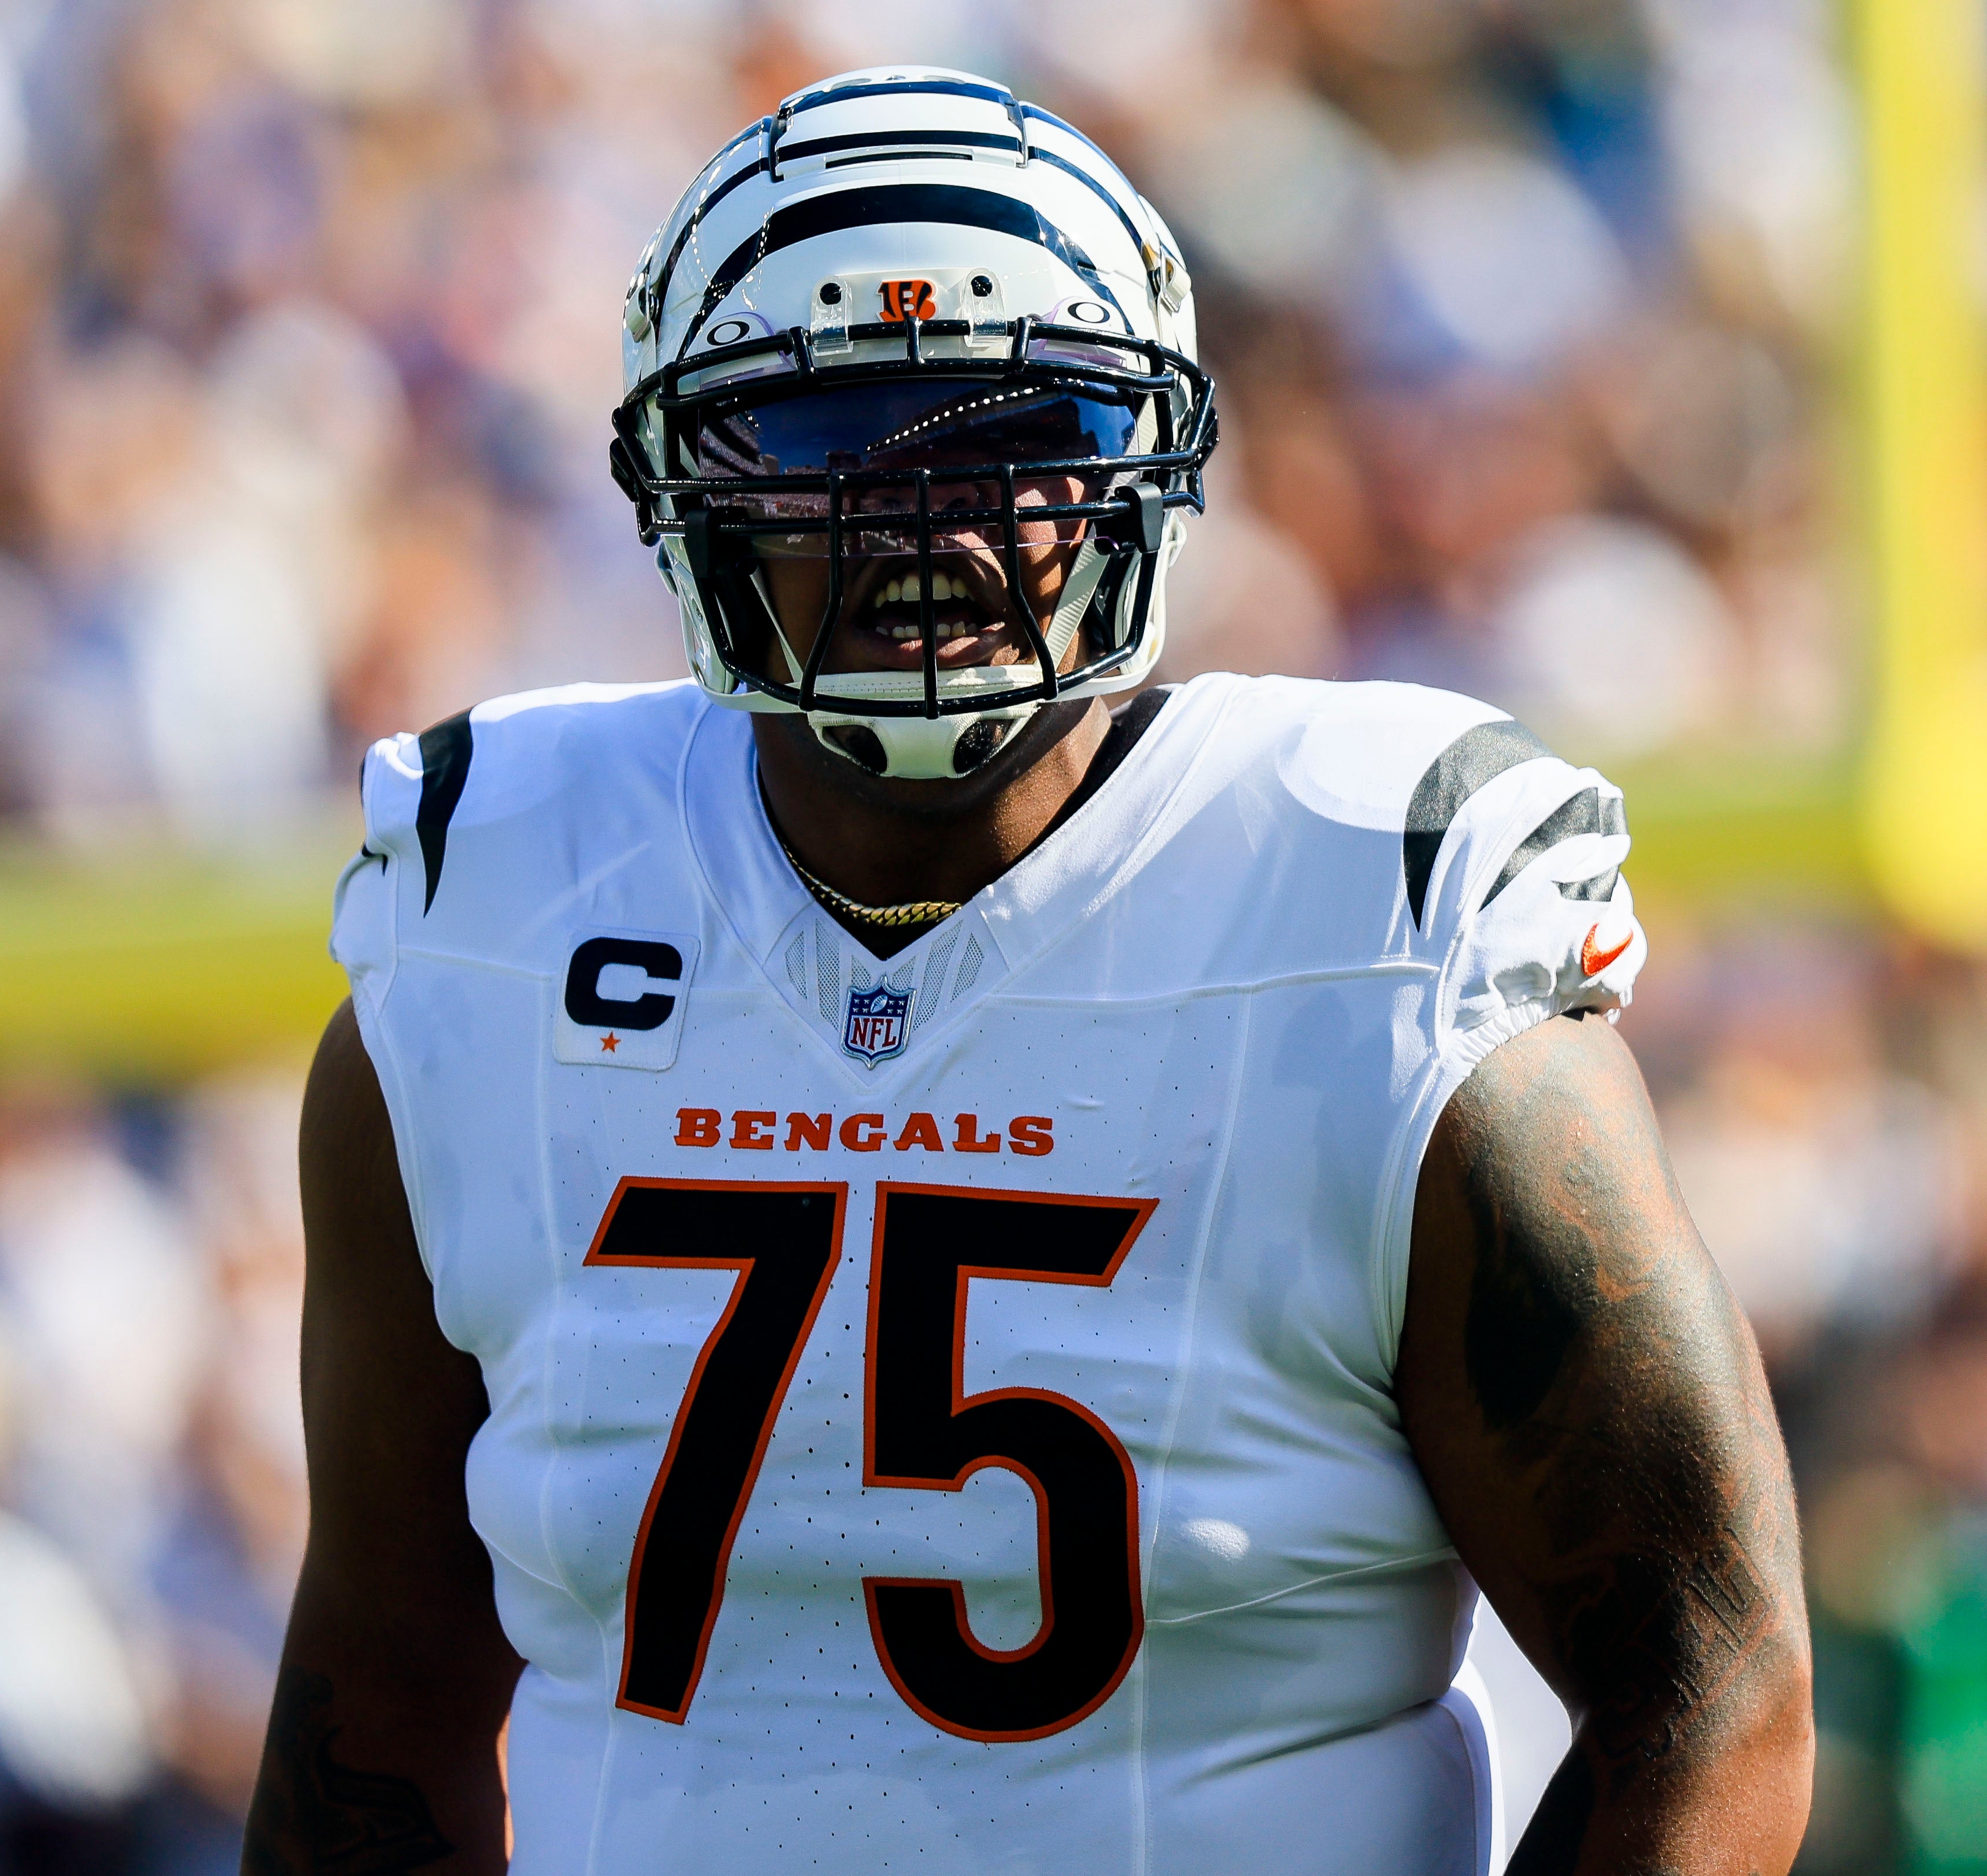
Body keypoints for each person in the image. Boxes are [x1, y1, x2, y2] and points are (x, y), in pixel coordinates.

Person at [246, 67, 1810, 1876]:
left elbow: (1709, 1688)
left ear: (1150, 458)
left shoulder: (1369, 929)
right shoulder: (491, 925)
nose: (935, 521)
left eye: (1023, 431)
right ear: (686, 490)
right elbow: (377, 1702)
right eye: (832, 437)